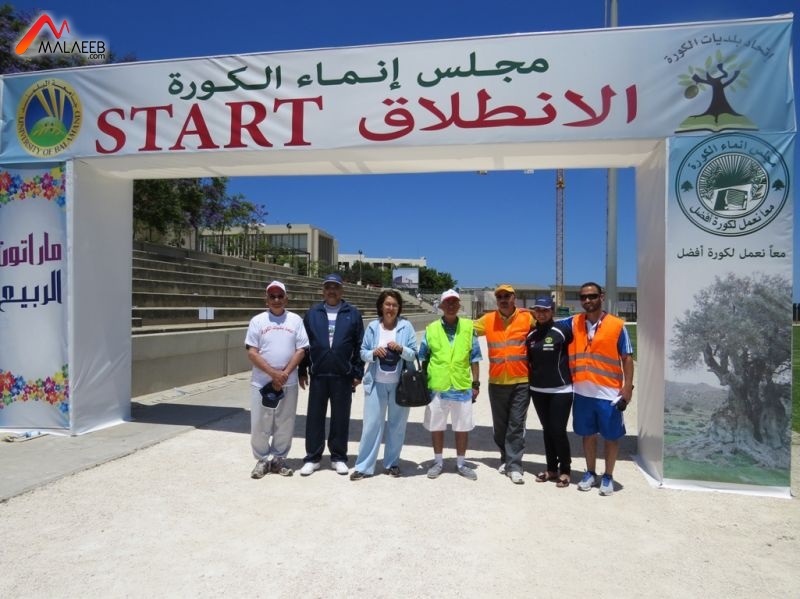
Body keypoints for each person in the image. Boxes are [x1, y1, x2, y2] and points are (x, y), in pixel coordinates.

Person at [565, 282, 634, 496]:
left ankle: (608, 476)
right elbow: (545, 319)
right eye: (583, 297)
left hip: (609, 393)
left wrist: (628, 387)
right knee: (588, 435)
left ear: (601, 297)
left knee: (611, 437)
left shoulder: (617, 325)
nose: (587, 300)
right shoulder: (574, 322)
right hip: (582, 392)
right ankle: (590, 473)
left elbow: (627, 358)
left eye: (592, 296)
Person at [298, 274, 364, 476]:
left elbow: (359, 345)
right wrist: (302, 369)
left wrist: (358, 372)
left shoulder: (352, 313)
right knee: (314, 417)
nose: (331, 291)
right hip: (319, 374)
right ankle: (313, 457)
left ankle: (338, 457)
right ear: (323, 291)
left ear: (341, 290)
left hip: (343, 375)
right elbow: (304, 344)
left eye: (335, 287)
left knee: (341, 417)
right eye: (328, 287)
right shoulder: (312, 313)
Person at [350, 290, 418, 480]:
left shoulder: (406, 326)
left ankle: (392, 463)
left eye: (394, 305)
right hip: (376, 384)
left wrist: (401, 349)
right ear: (381, 306)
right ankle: (364, 467)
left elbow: (414, 353)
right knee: (371, 426)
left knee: (397, 426)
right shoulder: (373, 326)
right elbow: (363, 352)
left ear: (399, 308)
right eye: (387, 304)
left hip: (399, 386)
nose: (391, 308)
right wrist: (373, 353)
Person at [246, 281, 309, 479]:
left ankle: (279, 459)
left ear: (286, 299)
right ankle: (262, 460)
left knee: (285, 421)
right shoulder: (257, 321)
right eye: (272, 296)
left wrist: (285, 373)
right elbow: (252, 352)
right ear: (266, 300)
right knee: (260, 422)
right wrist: (273, 374)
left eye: (280, 296)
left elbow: (301, 349)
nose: (276, 300)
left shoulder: (295, 320)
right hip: (261, 382)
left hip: (288, 381)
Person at [473, 284, 534, 485]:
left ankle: (514, 465)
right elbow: (466, 330)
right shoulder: (488, 319)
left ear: (514, 298)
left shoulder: (527, 318)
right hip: (497, 381)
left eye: (507, 296)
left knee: (516, 424)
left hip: (521, 381)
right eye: (500, 297)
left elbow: (545, 324)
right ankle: (505, 457)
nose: (503, 300)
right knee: (500, 427)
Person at [418, 289, 482, 481]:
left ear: (459, 305)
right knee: (437, 425)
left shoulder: (469, 327)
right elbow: (423, 357)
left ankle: (461, 463)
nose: (451, 306)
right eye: (448, 302)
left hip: (461, 386)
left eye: (455, 302)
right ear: (441, 306)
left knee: (462, 426)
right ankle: (438, 462)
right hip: (437, 386)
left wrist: (476, 384)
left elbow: (475, 358)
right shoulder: (431, 329)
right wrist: (424, 382)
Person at [526, 297, 574, 488]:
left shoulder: (562, 331)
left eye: (545, 310)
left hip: (561, 389)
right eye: (538, 310)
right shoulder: (531, 335)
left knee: (558, 430)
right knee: (547, 430)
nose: (541, 313)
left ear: (552, 311)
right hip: (538, 390)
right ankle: (551, 468)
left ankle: (566, 470)